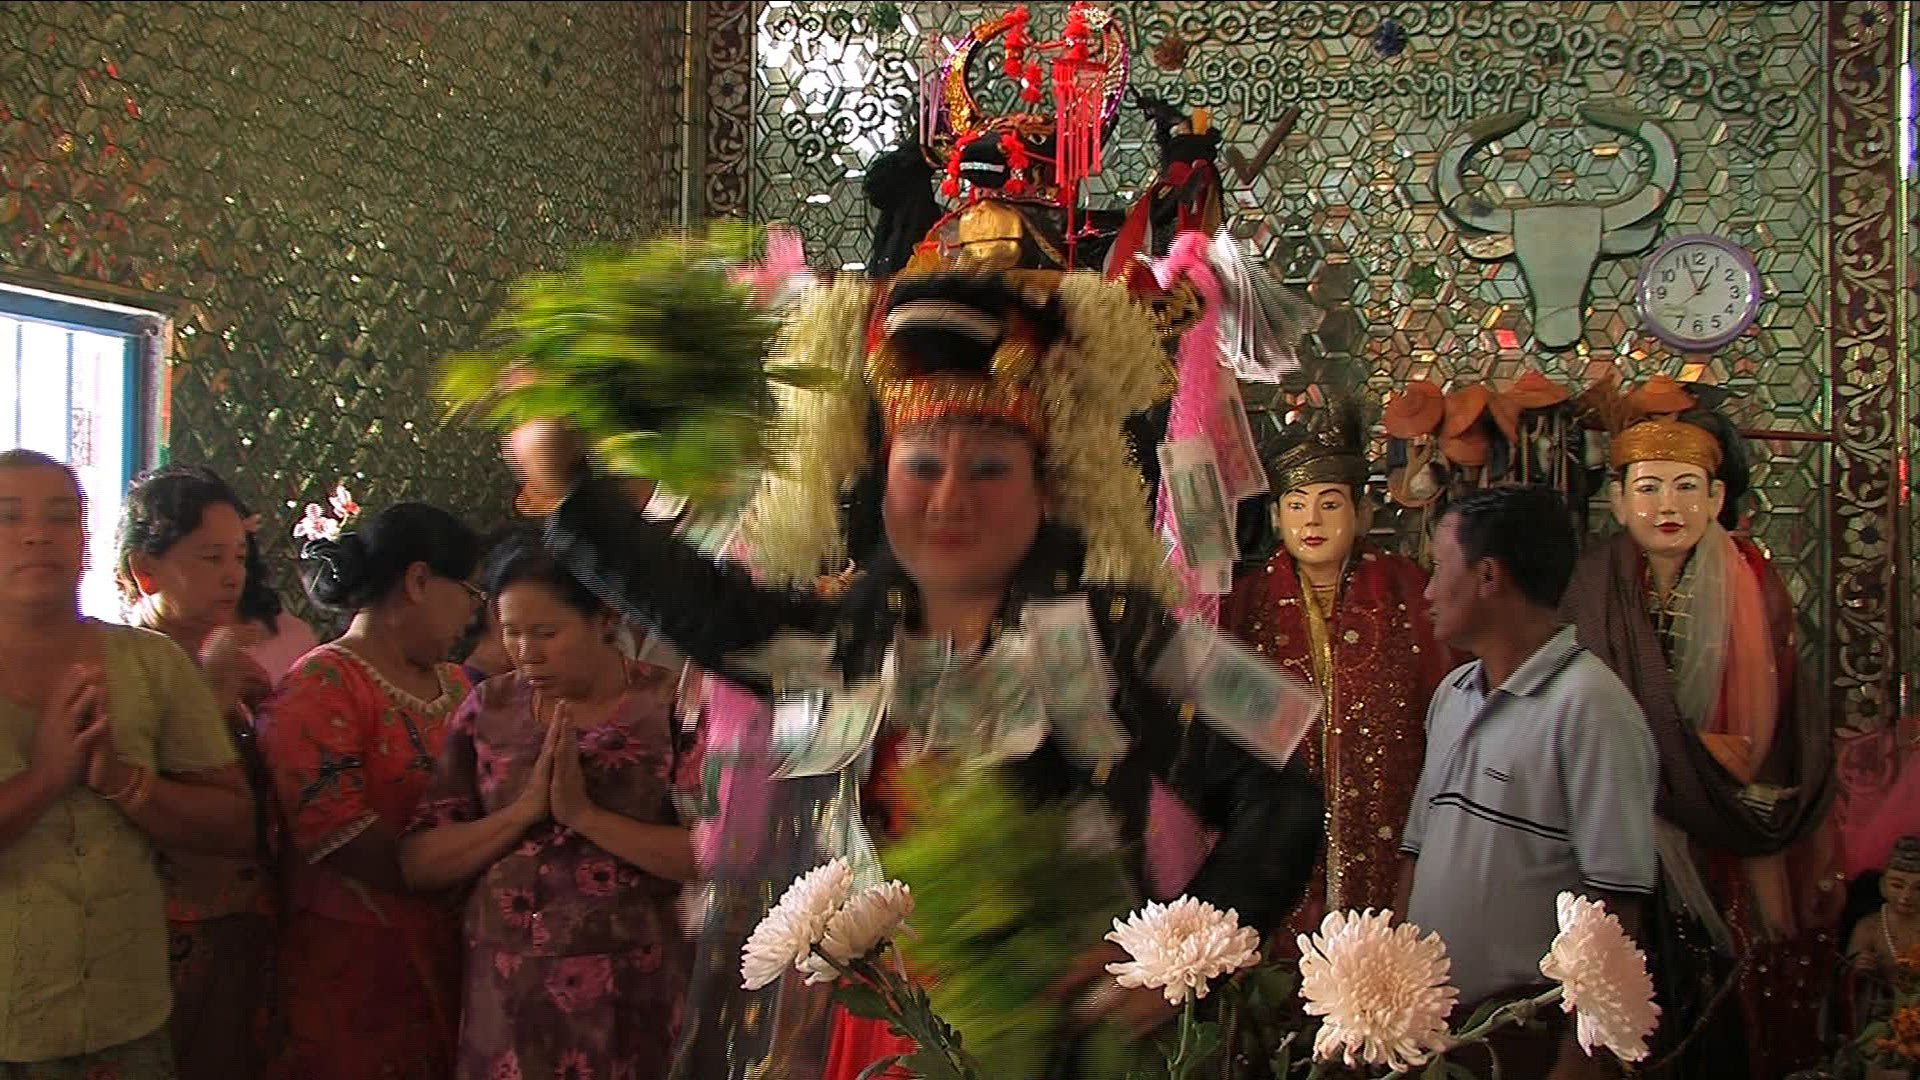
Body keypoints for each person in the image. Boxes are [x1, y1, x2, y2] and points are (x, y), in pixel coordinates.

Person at [504, 269, 1324, 1079]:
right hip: (893, 1028)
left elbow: (1284, 795)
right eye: (923, 467)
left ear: (1043, 486)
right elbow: (717, 616)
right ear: (886, 481)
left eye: (990, 468)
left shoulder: (1125, 629)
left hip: (1074, 1033)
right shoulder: (855, 639)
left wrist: (1174, 959)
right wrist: (572, 492)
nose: (950, 500)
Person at [1562, 411, 1839, 1079]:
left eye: (1687, 487)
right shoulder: (1592, 584)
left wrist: (1705, 762)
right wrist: (1676, 753)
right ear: (1618, 499)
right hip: (1622, 811)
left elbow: (1772, 711)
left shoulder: (1751, 578)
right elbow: (1575, 705)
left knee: (1720, 986)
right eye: (1649, 488)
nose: (1669, 506)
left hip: (1724, 807)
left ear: (1716, 498)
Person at [401, 535, 699, 1080]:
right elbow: (420, 860)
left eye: (546, 633)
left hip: (637, 984)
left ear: (604, 616)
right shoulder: (488, 708)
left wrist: (586, 816)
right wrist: (520, 813)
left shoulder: (669, 706)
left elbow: (717, 855)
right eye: (510, 631)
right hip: (507, 988)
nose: (525, 652)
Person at [0, 449, 253, 1078]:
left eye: (61, 517)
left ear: (85, 541)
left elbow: (234, 826)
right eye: (8, 517)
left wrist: (124, 782)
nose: (36, 534)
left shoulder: (150, 664)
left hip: (124, 1016)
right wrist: (45, 779)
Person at [1396, 484, 1658, 1080]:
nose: (1428, 591)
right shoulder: (1453, 694)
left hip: (1522, 1036)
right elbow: (1416, 852)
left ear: (1488, 576)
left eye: (1439, 568)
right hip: (1433, 1027)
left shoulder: (1592, 707)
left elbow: (1616, 901)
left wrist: (1581, 1056)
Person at [255, 500, 483, 1080]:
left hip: (456, 954)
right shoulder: (319, 685)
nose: (473, 613)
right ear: (419, 581)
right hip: (354, 970)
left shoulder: (458, 685)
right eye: (469, 592)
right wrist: (463, 865)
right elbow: (338, 835)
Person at [1222, 406, 1451, 934]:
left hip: (1388, 819)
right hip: (1279, 828)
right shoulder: (1244, 604)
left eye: (1329, 504)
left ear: (1361, 513)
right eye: (1296, 505)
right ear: (1276, 517)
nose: (1312, 521)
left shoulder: (1410, 593)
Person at [115, 465, 285, 1080]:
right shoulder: (122, 664)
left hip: (243, 915)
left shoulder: (223, 657)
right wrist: (212, 698)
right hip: (158, 928)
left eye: (238, 555)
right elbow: (132, 787)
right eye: (211, 557)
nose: (233, 574)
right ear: (146, 570)